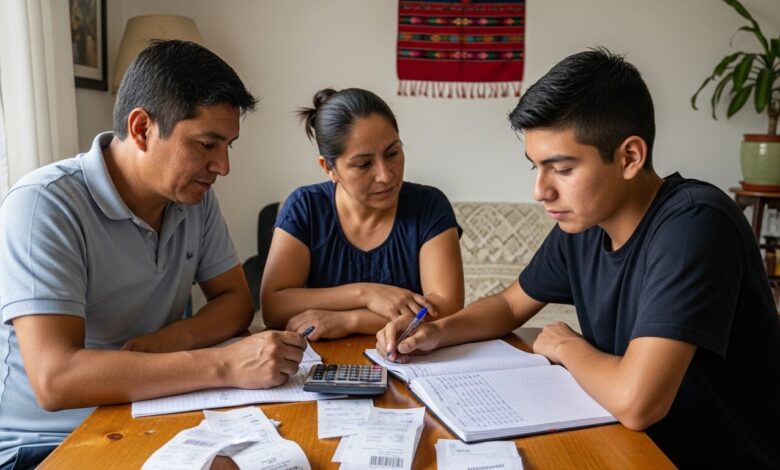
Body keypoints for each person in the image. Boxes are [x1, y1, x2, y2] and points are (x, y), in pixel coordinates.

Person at [376, 48, 780, 468]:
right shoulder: (586, 224)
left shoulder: (695, 224)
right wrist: (434, 332)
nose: (540, 191)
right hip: (629, 447)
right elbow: (509, 305)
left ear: (630, 157)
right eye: (535, 167)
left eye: (563, 169)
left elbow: (638, 403)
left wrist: (567, 347)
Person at [0, 40, 308, 468]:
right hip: (48, 444)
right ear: (142, 128)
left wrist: (170, 341)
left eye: (228, 146)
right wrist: (223, 364)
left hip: (151, 415)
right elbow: (56, 379)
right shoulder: (43, 204)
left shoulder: (193, 200)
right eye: (207, 144)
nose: (223, 166)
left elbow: (236, 301)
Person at [261, 88, 464, 341]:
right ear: (329, 168)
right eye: (364, 164)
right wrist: (366, 294)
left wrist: (348, 320)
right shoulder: (305, 207)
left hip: (410, 356)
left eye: (392, 153)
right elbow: (274, 307)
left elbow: (447, 308)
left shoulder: (429, 206)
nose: (385, 175)